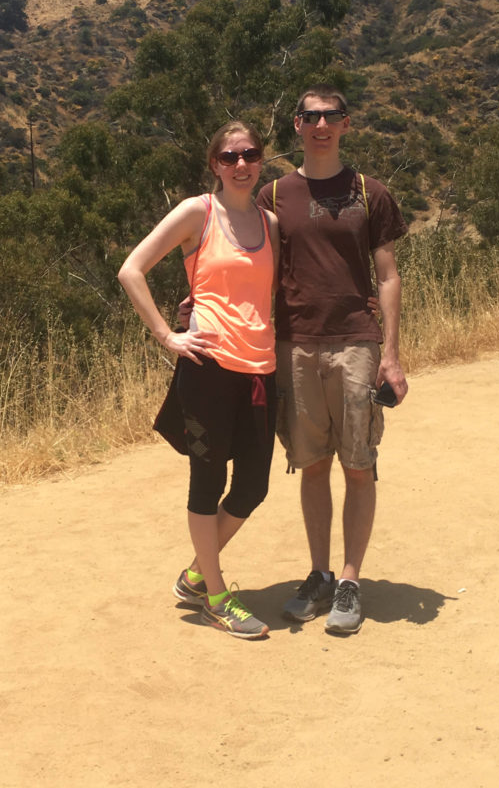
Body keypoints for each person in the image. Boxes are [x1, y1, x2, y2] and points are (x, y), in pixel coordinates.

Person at [255, 84, 408, 635]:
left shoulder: (371, 192)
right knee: (312, 463)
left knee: (358, 464)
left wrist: (391, 355)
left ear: (347, 124)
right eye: (311, 116)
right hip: (294, 343)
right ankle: (319, 573)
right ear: (296, 125)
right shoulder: (272, 196)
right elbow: (249, 267)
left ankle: (349, 580)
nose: (321, 125)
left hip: (355, 342)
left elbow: (387, 276)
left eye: (332, 116)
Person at [117, 121, 279, 640]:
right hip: (208, 367)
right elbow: (131, 270)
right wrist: (168, 335)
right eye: (229, 156)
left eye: (249, 154)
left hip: (260, 368)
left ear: (260, 160)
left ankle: (194, 574)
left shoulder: (270, 223)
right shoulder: (197, 213)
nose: (240, 164)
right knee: (207, 484)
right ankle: (216, 596)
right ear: (215, 164)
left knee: (252, 487)